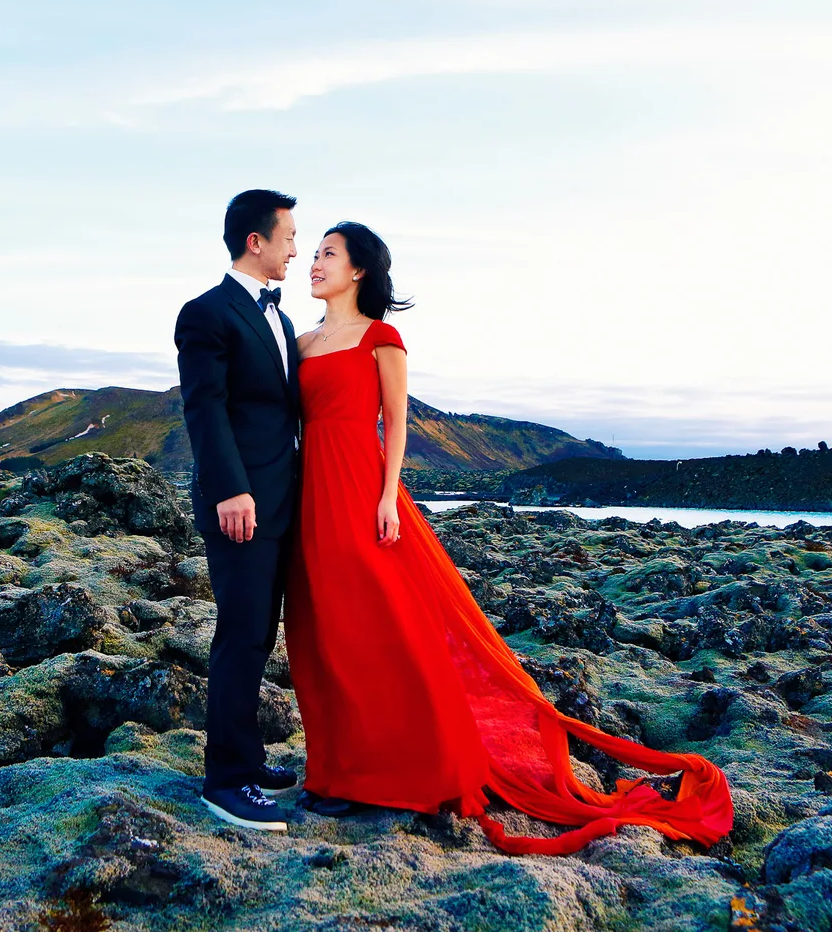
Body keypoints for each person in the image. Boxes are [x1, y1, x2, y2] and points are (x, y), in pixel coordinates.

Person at [283, 221, 735, 854]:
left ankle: (396, 773)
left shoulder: (383, 338)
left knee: (381, 631)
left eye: (328, 253)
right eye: (315, 253)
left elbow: (397, 427)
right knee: (323, 632)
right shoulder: (299, 345)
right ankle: (332, 771)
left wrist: (387, 498)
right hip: (311, 498)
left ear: (358, 270)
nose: (314, 261)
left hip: (362, 493)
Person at [174, 189, 303, 832]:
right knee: (242, 633)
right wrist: (231, 489)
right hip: (240, 504)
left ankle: (247, 758)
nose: (295, 250)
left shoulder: (280, 320)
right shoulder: (206, 314)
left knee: (264, 634)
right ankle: (224, 779)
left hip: (284, 503)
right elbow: (205, 407)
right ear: (256, 241)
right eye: (288, 237)